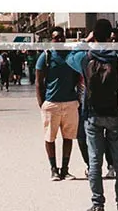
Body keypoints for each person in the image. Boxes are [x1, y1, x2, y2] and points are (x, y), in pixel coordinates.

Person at [78, 19, 118, 211]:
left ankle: (98, 204)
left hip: (93, 114)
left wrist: (86, 40)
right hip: (114, 113)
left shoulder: (85, 56)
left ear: (94, 34)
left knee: (94, 160)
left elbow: (70, 56)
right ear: (110, 36)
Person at [35, 33, 83, 180]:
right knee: (50, 137)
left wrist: (78, 98)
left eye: (62, 38)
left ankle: (65, 169)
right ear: (52, 40)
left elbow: (78, 77)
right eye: (56, 38)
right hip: (51, 103)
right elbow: (39, 81)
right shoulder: (46, 56)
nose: (60, 40)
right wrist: (42, 103)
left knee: (68, 137)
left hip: (70, 102)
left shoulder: (71, 56)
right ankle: (53, 169)